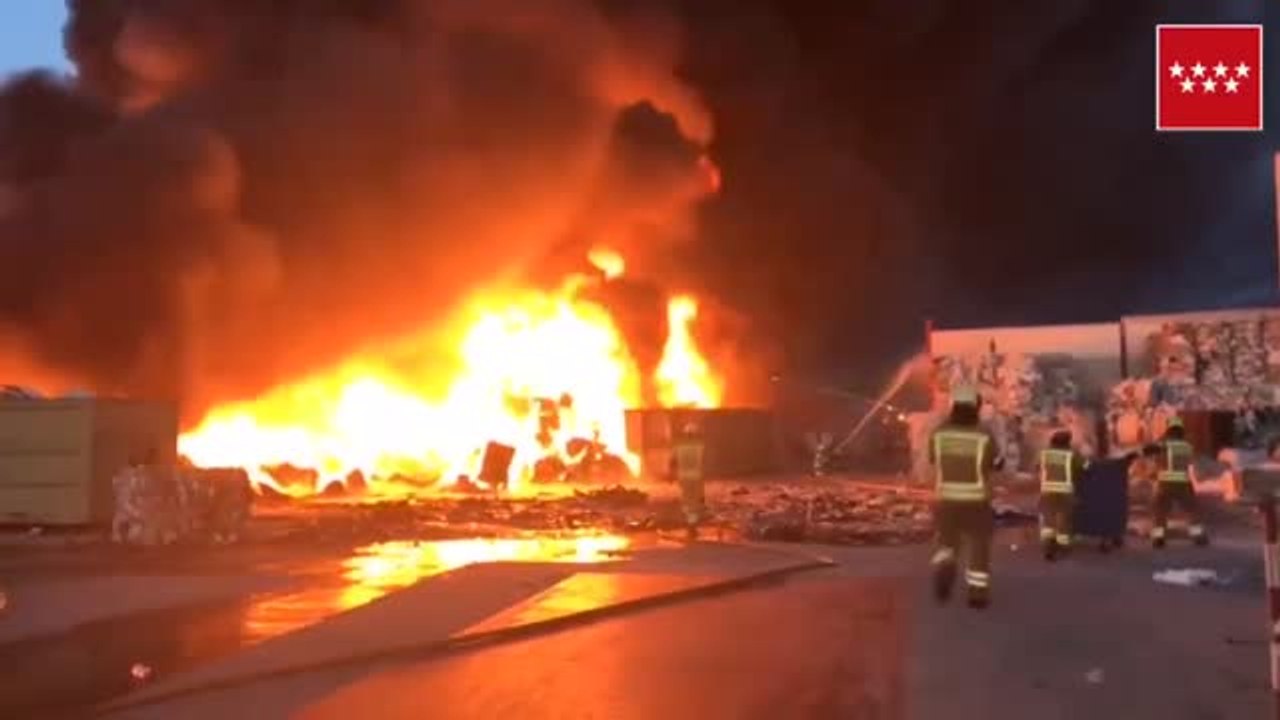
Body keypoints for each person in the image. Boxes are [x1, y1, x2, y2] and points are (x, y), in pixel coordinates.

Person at [928, 385, 1002, 609]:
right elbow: (997, 463)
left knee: (946, 542)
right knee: (979, 545)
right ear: (975, 406)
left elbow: (933, 459)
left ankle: (945, 563)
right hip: (976, 500)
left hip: (945, 499)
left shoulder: (939, 432)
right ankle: (977, 594)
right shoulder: (983, 434)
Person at [1148, 416, 1208, 548]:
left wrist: (1153, 475)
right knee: (1192, 511)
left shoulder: (1161, 444)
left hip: (1164, 484)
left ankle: (1158, 539)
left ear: (1168, 430)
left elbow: (1152, 462)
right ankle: (1198, 536)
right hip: (1183, 483)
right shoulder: (1187, 446)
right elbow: (1192, 465)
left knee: (1159, 513)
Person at [1037, 430, 1086, 561]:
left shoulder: (1044, 453)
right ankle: (1063, 546)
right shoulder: (1071, 454)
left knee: (1048, 518)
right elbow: (1085, 466)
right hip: (1065, 491)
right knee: (1064, 519)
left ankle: (1048, 544)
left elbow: (1037, 466)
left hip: (1047, 490)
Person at [672, 419, 707, 540]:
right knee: (696, 501)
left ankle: (690, 524)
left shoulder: (679, 446)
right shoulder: (700, 446)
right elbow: (704, 461)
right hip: (696, 477)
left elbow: (672, 461)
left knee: (687, 501)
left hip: (683, 478)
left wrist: (671, 475)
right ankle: (692, 526)